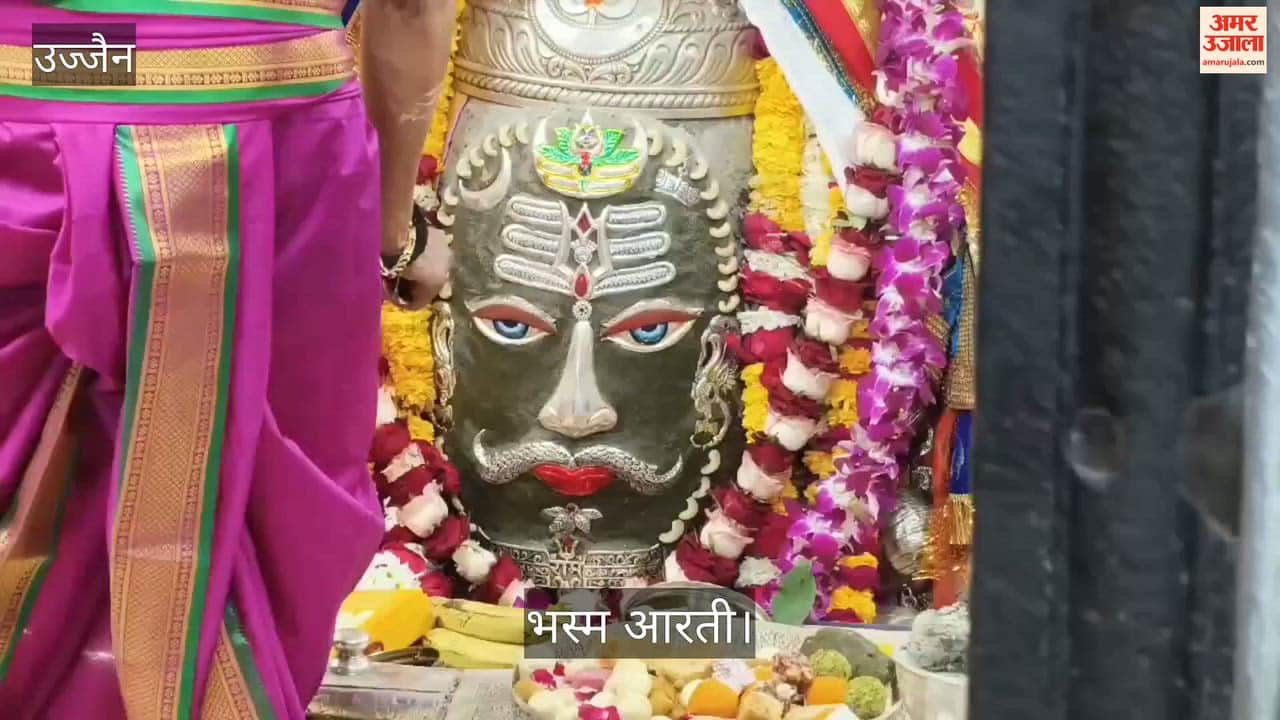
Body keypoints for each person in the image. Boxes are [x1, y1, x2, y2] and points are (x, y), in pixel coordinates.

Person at [0, 0, 452, 717]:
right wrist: (395, 230)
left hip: (32, 112)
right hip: (274, 138)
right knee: (257, 503)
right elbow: (409, 7)